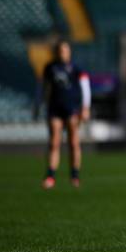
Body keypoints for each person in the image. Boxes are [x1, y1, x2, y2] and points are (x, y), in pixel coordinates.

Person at [41, 39, 91, 189]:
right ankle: (50, 175)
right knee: (54, 142)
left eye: (65, 50)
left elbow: (85, 87)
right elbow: (45, 88)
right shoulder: (50, 68)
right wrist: (40, 105)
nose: (62, 53)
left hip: (72, 108)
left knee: (74, 142)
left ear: (69, 52)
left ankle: (74, 175)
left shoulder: (76, 68)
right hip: (55, 108)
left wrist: (85, 107)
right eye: (60, 50)